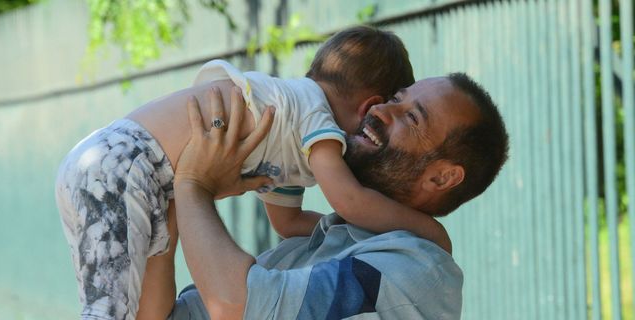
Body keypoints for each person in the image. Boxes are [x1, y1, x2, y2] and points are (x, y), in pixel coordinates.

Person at [54, 26, 449, 320]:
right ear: (370, 107)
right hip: (125, 168)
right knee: (107, 310)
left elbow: (289, 221)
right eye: (391, 106)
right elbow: (348, 200)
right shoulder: (315, 114)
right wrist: (426, 229)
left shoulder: (289, 135)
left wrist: (190, 189)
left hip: (119, 169)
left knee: (133, 308)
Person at [167, 72, 509, 319]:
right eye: (395, 98)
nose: (379, 111)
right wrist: (165, 188)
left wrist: (192, 184)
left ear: (443, 176)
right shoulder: (317, 243)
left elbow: (236, 307)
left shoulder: (416, 273)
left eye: (411, 117)